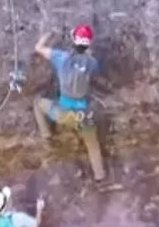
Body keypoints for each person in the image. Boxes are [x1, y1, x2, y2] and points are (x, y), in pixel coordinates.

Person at [32, 25, 107, 183]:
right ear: (88, 44)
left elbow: (38, 48)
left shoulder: (61, 57)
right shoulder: (92, 63)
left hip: (63, 114)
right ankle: (100, 176)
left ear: (74, 40)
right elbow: (93, 71)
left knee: (38, 103)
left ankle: (47, 136)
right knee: (92, 145)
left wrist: (47, 35)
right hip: (84, 117)